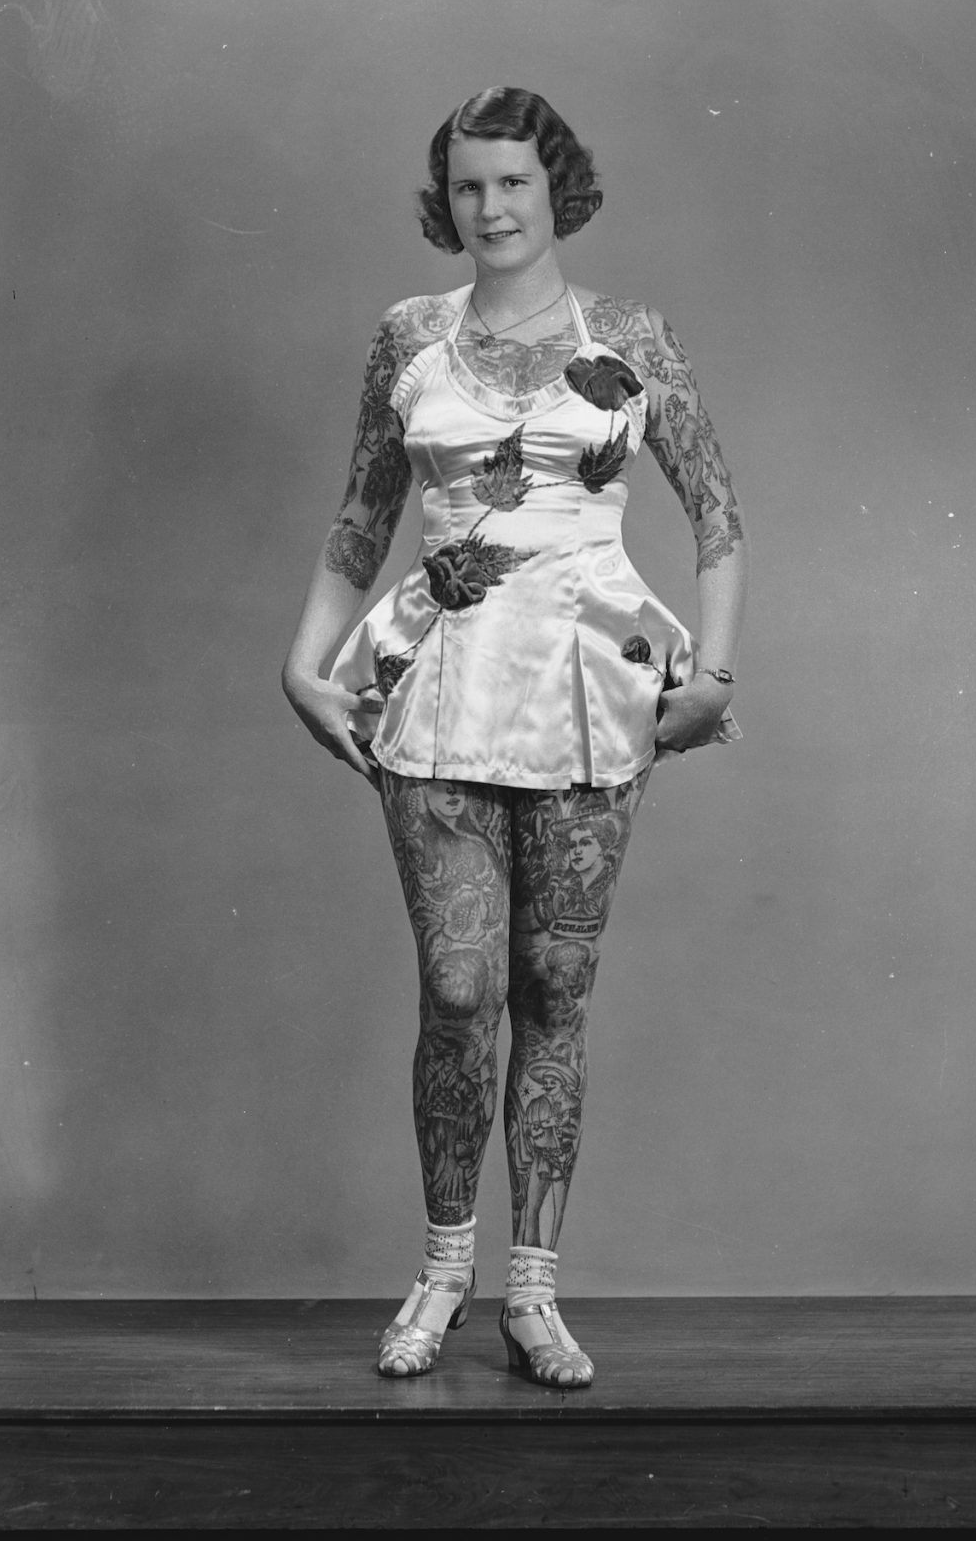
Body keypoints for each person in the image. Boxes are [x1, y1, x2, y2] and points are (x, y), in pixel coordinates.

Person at [282, 87, 747, 1389]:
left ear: (558, 191)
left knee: (553, 992)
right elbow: (361, 519)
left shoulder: (631, 336)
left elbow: (719, 517)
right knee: (457, 990)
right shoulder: (408, 336)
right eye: (469, 186)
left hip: (593, 684)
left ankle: (533, 1295)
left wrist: (711, 676)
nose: (492, 208)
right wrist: (302, 663)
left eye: (515, 184)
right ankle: (443, 1272)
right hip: (439, 679)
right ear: (447, 199)